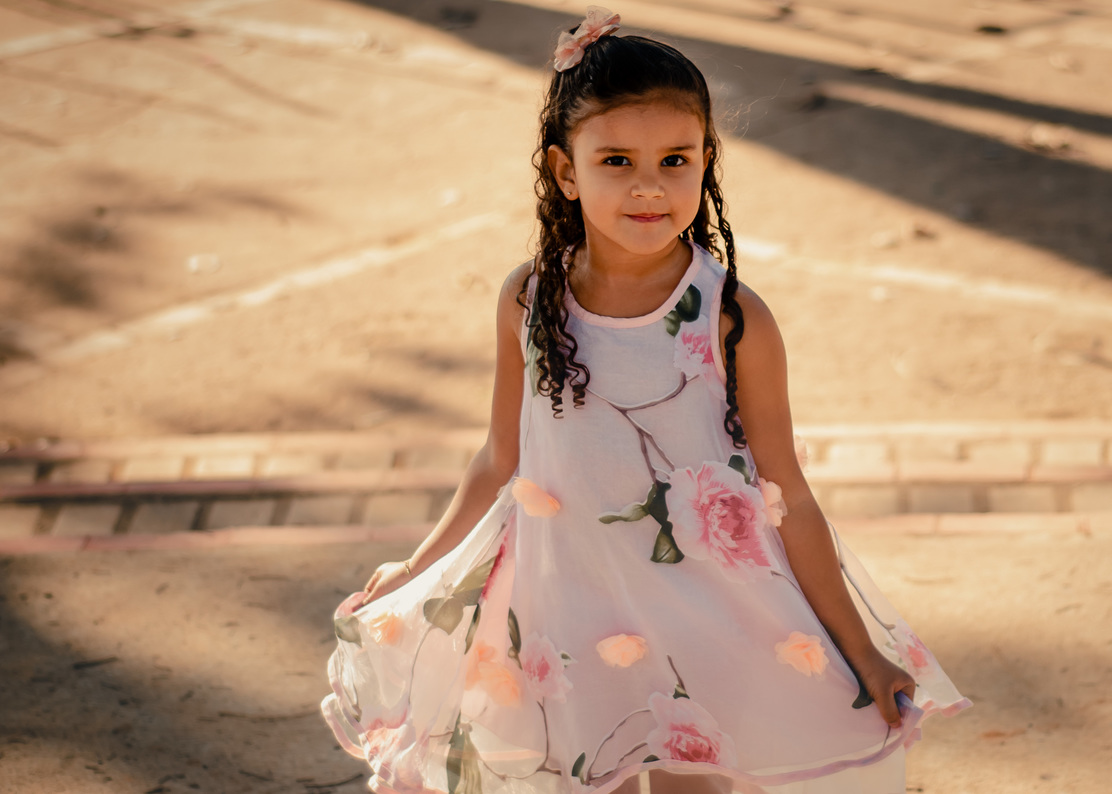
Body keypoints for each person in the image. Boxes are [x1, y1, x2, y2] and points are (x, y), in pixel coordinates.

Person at [320, 7, 971, 794]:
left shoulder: (731, 318)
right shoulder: (530, 300)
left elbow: (786, 492)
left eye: (675, 160)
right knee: (595, 773)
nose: (649, 187)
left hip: (704, 607)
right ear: (566, 172)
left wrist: (858, 643)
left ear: (706, 163)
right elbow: (501, 455)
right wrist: (416, 570)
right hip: (570, 604)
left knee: (694, 778)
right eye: (618, 160)